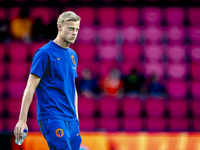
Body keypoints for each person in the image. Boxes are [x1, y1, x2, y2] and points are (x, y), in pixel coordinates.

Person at [14, 11, 82, 150]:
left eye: (76, 29)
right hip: (52, 116)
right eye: (70, 28)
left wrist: (76, 116)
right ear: (59, 27)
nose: (74, 32)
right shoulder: (44, 53)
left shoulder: (73, 55)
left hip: (71, 118)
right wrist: (22, 120)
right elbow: (30, 87)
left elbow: (72, 87)